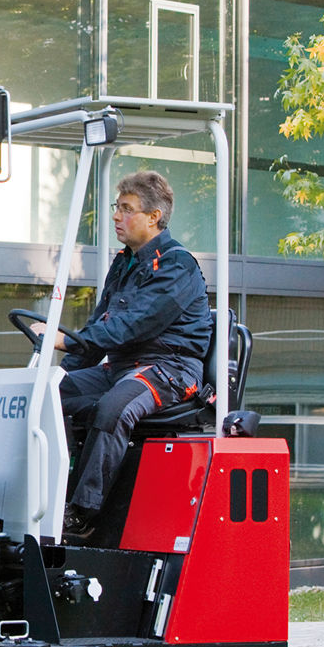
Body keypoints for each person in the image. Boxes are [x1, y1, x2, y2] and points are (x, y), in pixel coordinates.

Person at [32, 170, 211, 541]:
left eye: (127, 209)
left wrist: (65, 341)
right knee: (47, 396)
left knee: (115, 406)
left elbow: (133, 325)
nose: (116, 216)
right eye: (118, 207)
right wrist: (56, 375)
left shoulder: (177, 265)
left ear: (154, 218)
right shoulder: (124, 262)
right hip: (122, 367)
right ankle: (42, 497)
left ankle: (82, 515)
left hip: (169, 369)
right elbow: (102, 325)